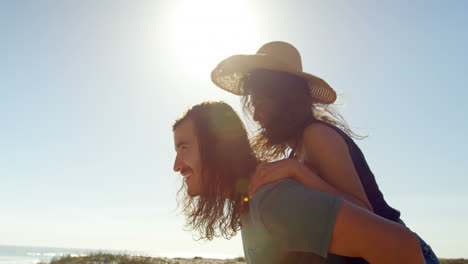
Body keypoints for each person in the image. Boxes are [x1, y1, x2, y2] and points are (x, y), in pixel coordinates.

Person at [211, 41, 440, 264]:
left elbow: (364, 211)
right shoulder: (298, 150)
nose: (255, 117)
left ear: (284, 98)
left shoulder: (316, 135)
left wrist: (298, 172)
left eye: (260, 104)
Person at [172, 101, 424, 264]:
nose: (176, 165)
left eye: (184, 147)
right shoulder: (254, 201)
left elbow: (402, 246)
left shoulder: (274, 199)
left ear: (217, 147)